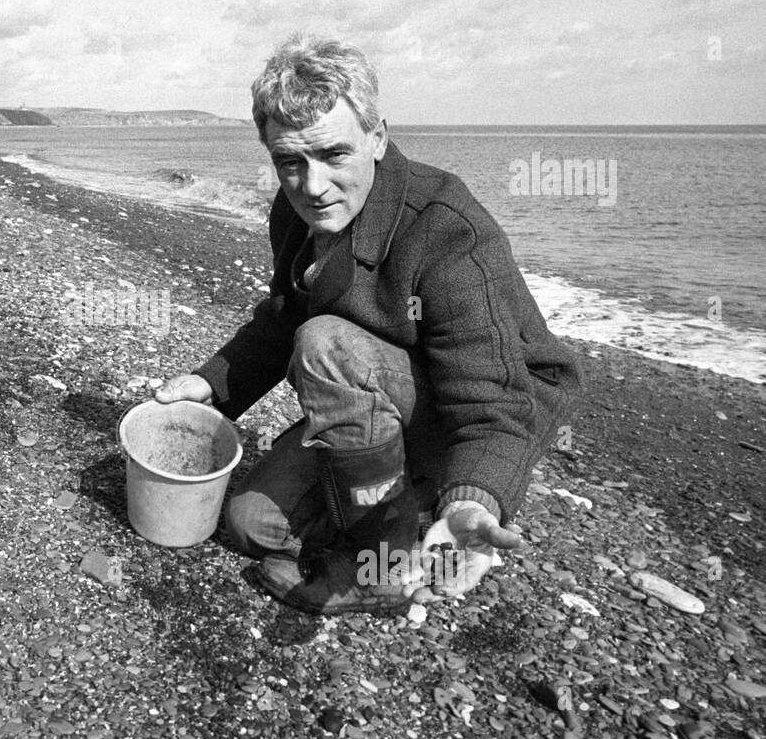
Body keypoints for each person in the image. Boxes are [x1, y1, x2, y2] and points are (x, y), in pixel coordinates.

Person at [156, 34, 582, 614]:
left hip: (469, 409)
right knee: (249, 524)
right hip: (373, 410)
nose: (313, 185)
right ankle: (395, 496)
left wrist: (474, 496)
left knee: (326, 345)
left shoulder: (448, 229)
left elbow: (495, 400)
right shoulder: (296, 208)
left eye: (334, 155)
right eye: (289, 162)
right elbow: (283, 315)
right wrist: (211, 385)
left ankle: (381, 565)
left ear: (378, 137)